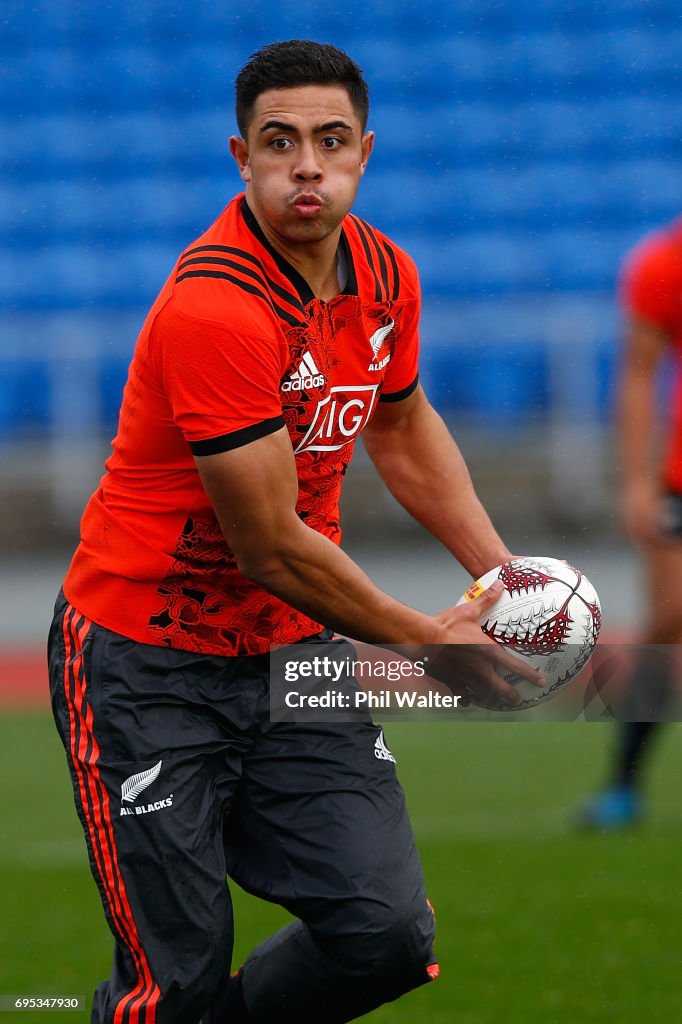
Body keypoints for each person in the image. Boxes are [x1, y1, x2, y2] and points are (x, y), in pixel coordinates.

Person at [48, 40, 541, 1023]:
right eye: (280, 143)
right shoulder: (215, 308)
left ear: (365, 150)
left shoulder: (385, 274)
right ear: (241, 157)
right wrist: (425, 643)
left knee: (384, 934)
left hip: (289, 656)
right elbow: (267, 544)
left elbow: (400, 427)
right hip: (144, 667)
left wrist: (504, 579)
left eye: (329, 140)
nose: (305, 165)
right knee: (173, 984)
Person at [579, 216, 682, 829]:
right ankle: (624, 785)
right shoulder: (663, 261)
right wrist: (637, 480)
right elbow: (639, 372)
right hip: (678, 476)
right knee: (667, 621)